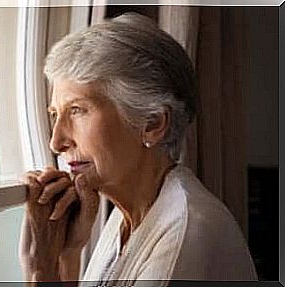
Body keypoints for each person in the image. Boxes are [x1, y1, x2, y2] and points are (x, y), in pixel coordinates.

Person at [19, 12, 257, 285]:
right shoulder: (125, 218)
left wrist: (42, 271)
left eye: (77, 110)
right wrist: (66, 255)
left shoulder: (184, 237)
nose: (56, 142)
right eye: (54, 114)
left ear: (152, 123)